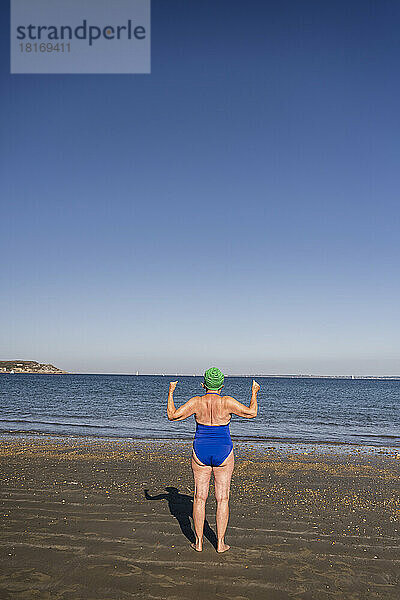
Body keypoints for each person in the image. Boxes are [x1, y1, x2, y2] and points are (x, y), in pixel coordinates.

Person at [167, 366, 260, 553]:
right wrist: (254, 393)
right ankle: (220, 544)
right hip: (223, 451)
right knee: (222, 498)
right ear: (222, 385)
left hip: (200, 449)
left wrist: (171, 392)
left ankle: (199, 542)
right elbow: (252, 412)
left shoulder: (197, 402)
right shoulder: (227, 402)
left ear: (203, 384)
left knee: (199, 498)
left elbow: (172, 415)